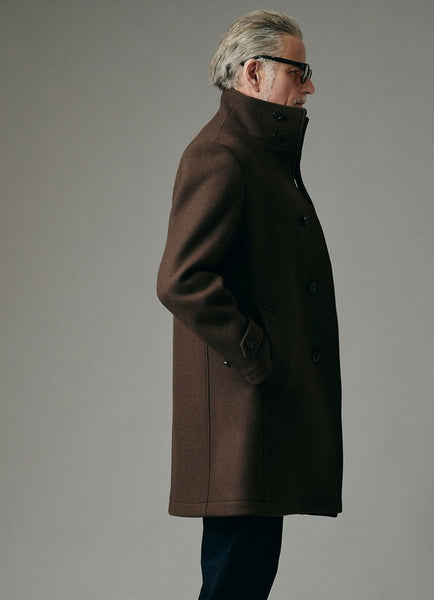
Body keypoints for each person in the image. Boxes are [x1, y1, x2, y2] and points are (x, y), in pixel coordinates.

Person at [157, 10, 343, 600]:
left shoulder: (261, 156)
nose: (310, 86)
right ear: (254, 72)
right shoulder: (222, 155)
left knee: (246, 581)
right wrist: (261, 358)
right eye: (299, 71)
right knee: (236, 584)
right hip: (242, 418)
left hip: (260, 417)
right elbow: (181, 279)